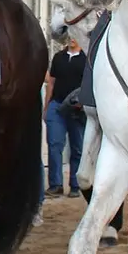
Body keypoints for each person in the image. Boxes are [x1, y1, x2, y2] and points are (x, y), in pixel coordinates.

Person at [45, 38, 86, 197]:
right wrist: (47, 106)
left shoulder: (86, 59)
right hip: (57, 105)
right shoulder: (59, 57)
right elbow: (51, 83)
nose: (72, 38)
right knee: (54, 144)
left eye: (74, 35)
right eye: (69, 35)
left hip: (77, 108)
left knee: (78, 147)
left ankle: (75, 185)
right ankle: (56, 184)